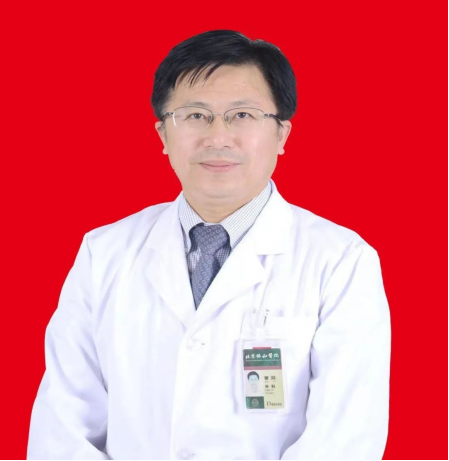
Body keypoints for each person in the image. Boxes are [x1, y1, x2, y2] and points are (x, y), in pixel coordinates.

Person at [27, 30, 391, 460]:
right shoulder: (103, 254)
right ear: (163, 134)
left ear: (282, 134)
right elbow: (63, 426)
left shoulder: (342, 262)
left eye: (242, 115)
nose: (218, 137)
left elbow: (346, 438)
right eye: (196, 115)